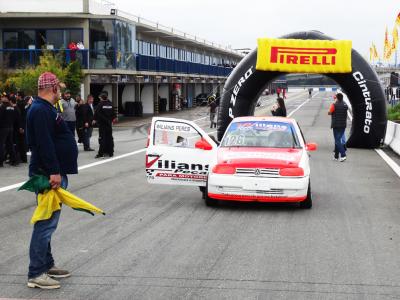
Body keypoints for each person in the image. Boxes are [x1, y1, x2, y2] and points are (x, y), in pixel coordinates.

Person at [26, 72, 78, 289]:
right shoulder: (39, 110)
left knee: (47, 222)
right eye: (58, 88)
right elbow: (44, 143)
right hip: (48, 175)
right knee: (45, 224)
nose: (60, 91)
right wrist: (54, 171)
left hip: (52, 173)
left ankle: (46, 264)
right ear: (53, 88)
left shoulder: (45, 108)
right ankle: (36, 272)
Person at [94, 90, 116, 158]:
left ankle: (101, 153)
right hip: (109, 124)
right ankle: (110, 152)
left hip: (102, 124)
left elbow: (97, 113)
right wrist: (111, 120)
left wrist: (95, 119)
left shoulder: (100, 104)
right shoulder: (110, 104)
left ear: (101, 97)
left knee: (102, 138)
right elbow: (114, 114)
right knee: (109, 138)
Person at [328, 92, 348, 162]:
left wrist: (331, 110)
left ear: (337, 98)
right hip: (343, 125)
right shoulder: (345, 105)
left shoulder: (334, 105)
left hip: (336, 125)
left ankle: (343, 155)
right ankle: (336, 156)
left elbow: (329, 112)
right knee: (337, 140)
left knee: (337, 140)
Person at [0, 93, 18, 167]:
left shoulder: (2, 107)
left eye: (3, 97)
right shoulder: (12, 107)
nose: (2, 98)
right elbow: (14, 117)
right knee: (10, 144)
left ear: (6, 98)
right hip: (10, 127)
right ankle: (14, 160)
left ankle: (0, 162)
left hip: (3, 128)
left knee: (1, 144)